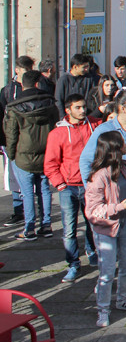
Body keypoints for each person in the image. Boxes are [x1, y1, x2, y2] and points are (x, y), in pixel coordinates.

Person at [84, 132, 126, 327]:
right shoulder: (98, 176)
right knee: (107, 271)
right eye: (122, 144)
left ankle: (123, 299)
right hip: (106, 229)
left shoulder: (125, 168)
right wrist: (119, 207)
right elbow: (93, 211)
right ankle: (103, 309)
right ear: (114, 148)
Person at [44, 94, 99, 281]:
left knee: (93, 223)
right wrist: (60, 184)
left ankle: (92, 252)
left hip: (90, 184)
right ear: (68, 110)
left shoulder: (94, 125)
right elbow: (50, 163)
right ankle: (73, 264)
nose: (83, 110)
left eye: (84, 106)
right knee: (69, 228)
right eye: (78, 107)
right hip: (68, 186)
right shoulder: (58, 133)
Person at [4, 70, 60, 240]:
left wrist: (11, 155)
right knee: (44, 190)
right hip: (46, 153)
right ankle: (46, 225)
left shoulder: (15, 107)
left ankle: (29, 229)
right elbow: (56, 129)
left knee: (27, 192)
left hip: (23, 155)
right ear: (37, 84)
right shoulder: (50, 104)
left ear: (23, 84)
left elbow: (11, 134)